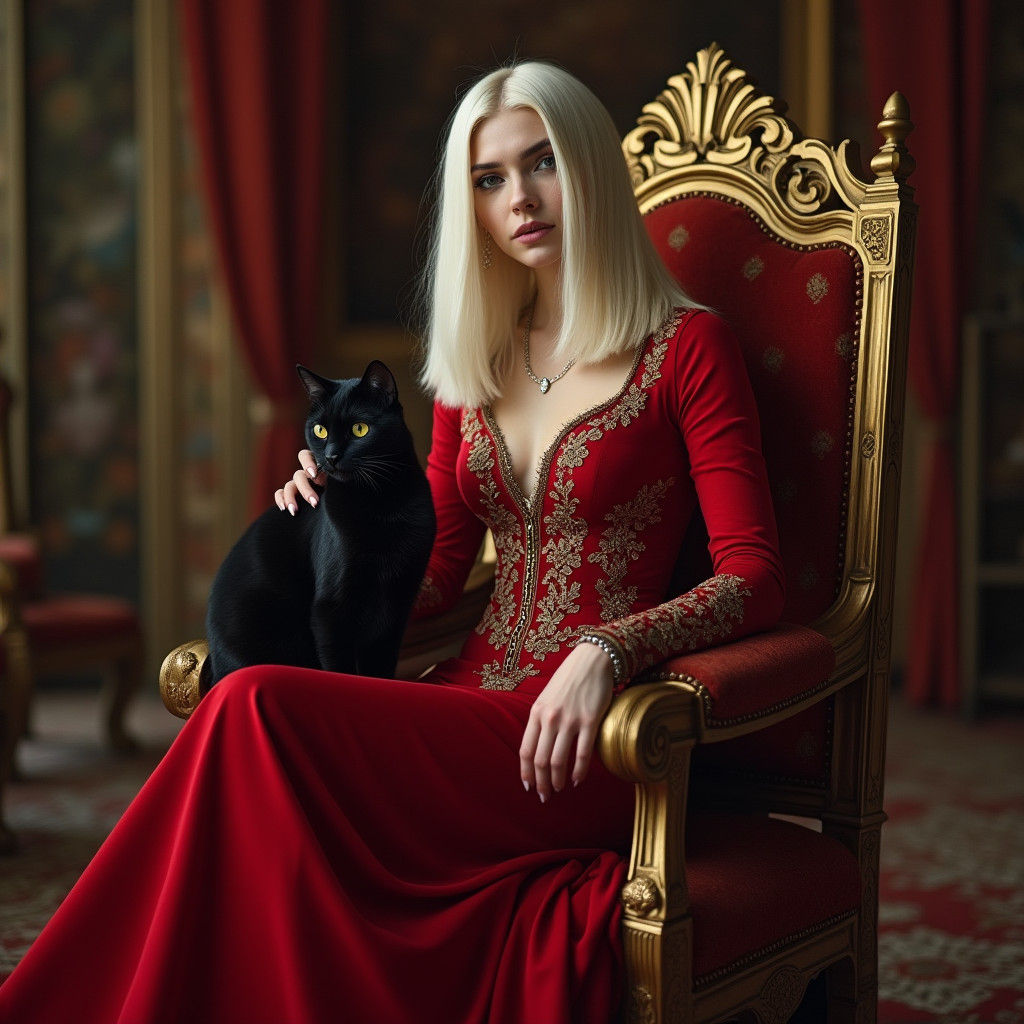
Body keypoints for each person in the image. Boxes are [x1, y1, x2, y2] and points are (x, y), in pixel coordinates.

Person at [0, 61, 784, 1023]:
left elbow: (755, 578)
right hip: (457, 700)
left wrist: (607, 649)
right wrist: (332, 527)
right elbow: (437, 572)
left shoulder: (687, 348)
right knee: (252, 747)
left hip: (584, 743)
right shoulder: (475, 363)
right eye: (489, 179)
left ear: (587, 169)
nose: (520, 198)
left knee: (246, 713)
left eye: (542, 163)